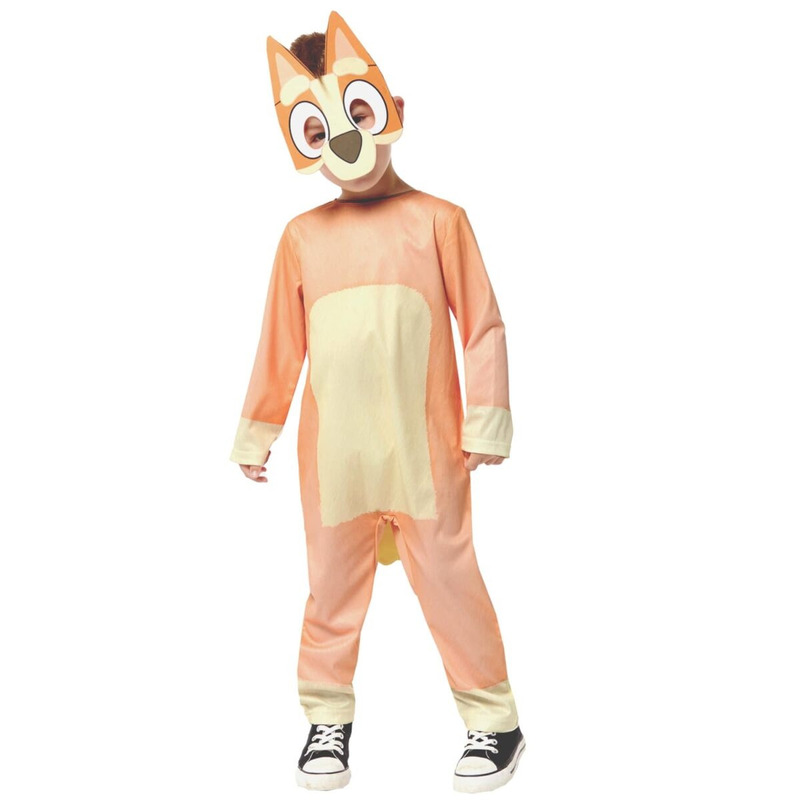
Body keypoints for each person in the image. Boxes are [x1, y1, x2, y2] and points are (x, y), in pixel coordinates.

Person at [229, 11, 525, 793]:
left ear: (393, 110)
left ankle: (495, 721)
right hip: (337, 461)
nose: (344, 139)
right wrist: (257, 433)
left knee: (451, 582)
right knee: (330, 590)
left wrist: (486, 418)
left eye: (357, 115)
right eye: (319, 130)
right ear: (300, 145)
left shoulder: (440, 222)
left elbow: (483, 323)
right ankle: (326, 719)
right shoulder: (301, 238)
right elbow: (279, 345)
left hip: (427, 452)